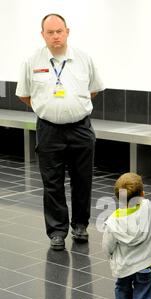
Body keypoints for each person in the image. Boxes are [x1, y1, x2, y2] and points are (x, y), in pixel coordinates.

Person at [16, 13, 104, 250]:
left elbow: (94, 90)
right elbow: (24, 94)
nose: (55, 36)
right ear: (42, 34)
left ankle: (80, 226)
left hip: (80, 128)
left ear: (67, 31)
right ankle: (57, 231)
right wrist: (48, 109)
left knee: (82, 179)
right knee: (52, 182)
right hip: (49, 130)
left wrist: (71, 107)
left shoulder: (84, 59)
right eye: (50, 32)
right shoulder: (32, 61)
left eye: (59, 31)